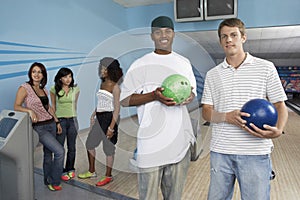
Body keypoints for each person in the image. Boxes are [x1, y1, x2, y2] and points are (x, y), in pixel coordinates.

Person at [201, 18, 288, 200]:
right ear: (220, 41)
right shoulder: (212, 74)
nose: (228, 40)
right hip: (220, 151)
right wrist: (226, 117)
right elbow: (206, 112)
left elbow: (280, 104)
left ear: (243, 37)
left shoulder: (266, 68)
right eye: (224, 36)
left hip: (255, 152)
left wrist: (278, 130)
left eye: (233, 35)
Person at [120, 16, 197, 200]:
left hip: (179, 144)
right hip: (150, 145)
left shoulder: (183, 62)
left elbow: (192, 91)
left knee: (174, 197)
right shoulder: (141, 64)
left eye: (167, 31)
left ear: (173, 34)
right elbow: (124, 99)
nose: (163, 35)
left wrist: (188, 97)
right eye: (158, 32)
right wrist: (154, 96)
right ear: (152, 36)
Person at [14, 62, 65, 191]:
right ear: (30, 74)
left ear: (43, 75)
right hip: (39, 128)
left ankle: (47, 179)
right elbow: (16, 106)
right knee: (60, 151)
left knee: (48, 155)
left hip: (51, 124)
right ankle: (55, 181)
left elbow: (48, 108)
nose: (36, 74)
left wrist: (57, 121)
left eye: (39, 72)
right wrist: (30, 111)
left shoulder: (43, 89)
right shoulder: (24, 87)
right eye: (34, 71)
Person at [78, 57, 123, 187]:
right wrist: (94, 114)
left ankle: (108, 176)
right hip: (100, 117)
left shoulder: (115, 87)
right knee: (90, 144)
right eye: (101, 67)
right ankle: (92, 171)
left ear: (111, 70)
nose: (102, 70)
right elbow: (102, 102)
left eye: (105, 68)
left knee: (108, 148)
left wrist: (111, 128)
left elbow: (116, 109)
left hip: (110, 118)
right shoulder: (102, 83)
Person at [50, 67, 80, 181]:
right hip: (60, 121)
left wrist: (74, 119)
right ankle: (60, 170)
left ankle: (70, 168)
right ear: (60, 78)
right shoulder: (54, 89)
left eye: (70, 76)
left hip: (72, 120)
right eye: (65, 76)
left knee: (72, 147)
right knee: (60, 148)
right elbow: (53, 107)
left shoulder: (76, 89)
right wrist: (56, 122)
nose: (68, 79)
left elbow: (74, 105)